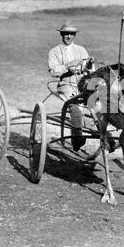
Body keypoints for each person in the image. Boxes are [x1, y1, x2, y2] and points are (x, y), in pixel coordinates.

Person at [48, 19, 93, 151]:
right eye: (65, 34)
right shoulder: (54, 52)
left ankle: (107, 137)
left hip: (82, 84)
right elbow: (53, 72)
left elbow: (89, 70)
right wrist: (68, 65)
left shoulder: (81, 50)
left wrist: (89, 64)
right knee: (75, 108)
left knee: (99, 104)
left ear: (75, 35)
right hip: (66, 85)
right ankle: (76, 139)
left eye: (71, 34)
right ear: (61, 34)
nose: (68, 36)